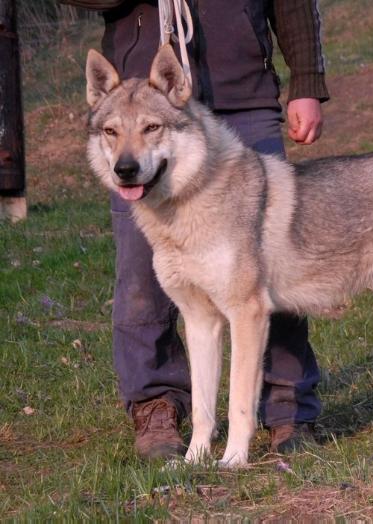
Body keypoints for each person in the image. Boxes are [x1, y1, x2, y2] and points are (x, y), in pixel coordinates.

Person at [63, 0, 329, 458]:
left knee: (267, 273)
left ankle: (288, 408)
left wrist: (305, 80)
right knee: (141, 281)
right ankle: (158, 407)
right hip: (135, 89)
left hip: (242, 88)